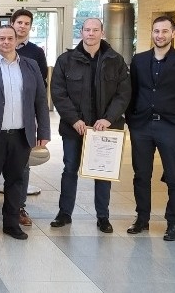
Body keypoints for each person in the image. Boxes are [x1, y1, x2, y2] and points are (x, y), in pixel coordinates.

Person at [0, 25, 50, 240]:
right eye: (2, 38)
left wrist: (43, 130)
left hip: (22, 135)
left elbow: (41, 100)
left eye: (10, 38)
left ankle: (12, 223)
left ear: (16, 41)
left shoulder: (31, 65)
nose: (6, 42)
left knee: (16, 181)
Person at [126, 15, 175, 241]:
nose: (160, 35)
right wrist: (131, 120)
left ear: (173, 33)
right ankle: (142, 219)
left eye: (164, 31)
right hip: (142, 126)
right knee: (141, 175)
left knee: (174, 177)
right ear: (152, 33)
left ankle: (173, 223)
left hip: (171, 127)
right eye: (156, 31)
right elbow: (131, 92)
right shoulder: (139, 60)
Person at [49, 18, 130, 233]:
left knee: (103, 173)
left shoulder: (116, 60)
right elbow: (58, 93)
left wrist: (108, 119)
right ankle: (64, 213)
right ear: (81, 32)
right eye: (87, 30)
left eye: (95, 30)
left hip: (105, 129)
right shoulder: (66, 60)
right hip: (74, 128)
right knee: (70, 169)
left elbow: (123, 94)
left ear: (102, 33)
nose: (91, 34)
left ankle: (103, 217)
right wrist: (74, 120)